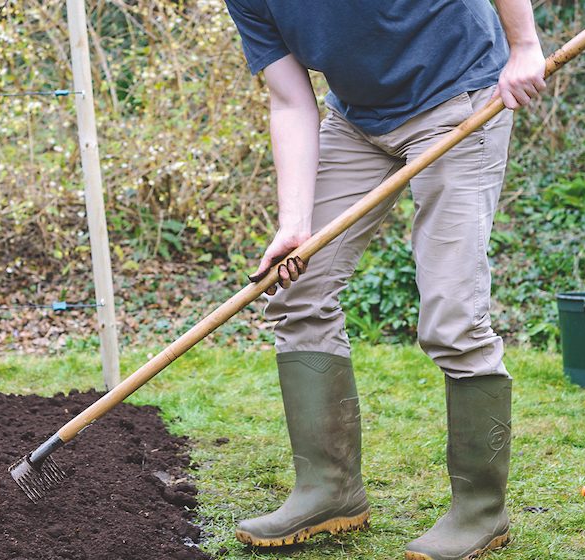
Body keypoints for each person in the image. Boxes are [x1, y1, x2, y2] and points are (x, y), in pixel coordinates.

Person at [223, 1, 546, 559]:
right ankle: (330, 490)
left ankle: (480, 512)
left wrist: (523, 45)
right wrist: (295, 225)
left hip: (459, 97)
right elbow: (290, 97)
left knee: (452, 316)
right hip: (356, 119)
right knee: (296, 289)